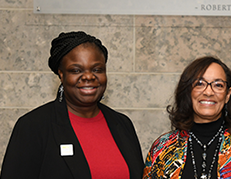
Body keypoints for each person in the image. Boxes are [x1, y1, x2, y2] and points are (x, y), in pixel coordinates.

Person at [0, 31, 144, 179]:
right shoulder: (33, 126)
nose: (88, 76)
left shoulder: (122, 124)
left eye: (97, 69)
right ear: (61, 74)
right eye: (76, 70)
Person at [143, 56, 231, 179]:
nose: (208, 92)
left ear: (228, 94)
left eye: (218, 85)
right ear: (188, 91)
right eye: (200, 83)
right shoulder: (162, 148)